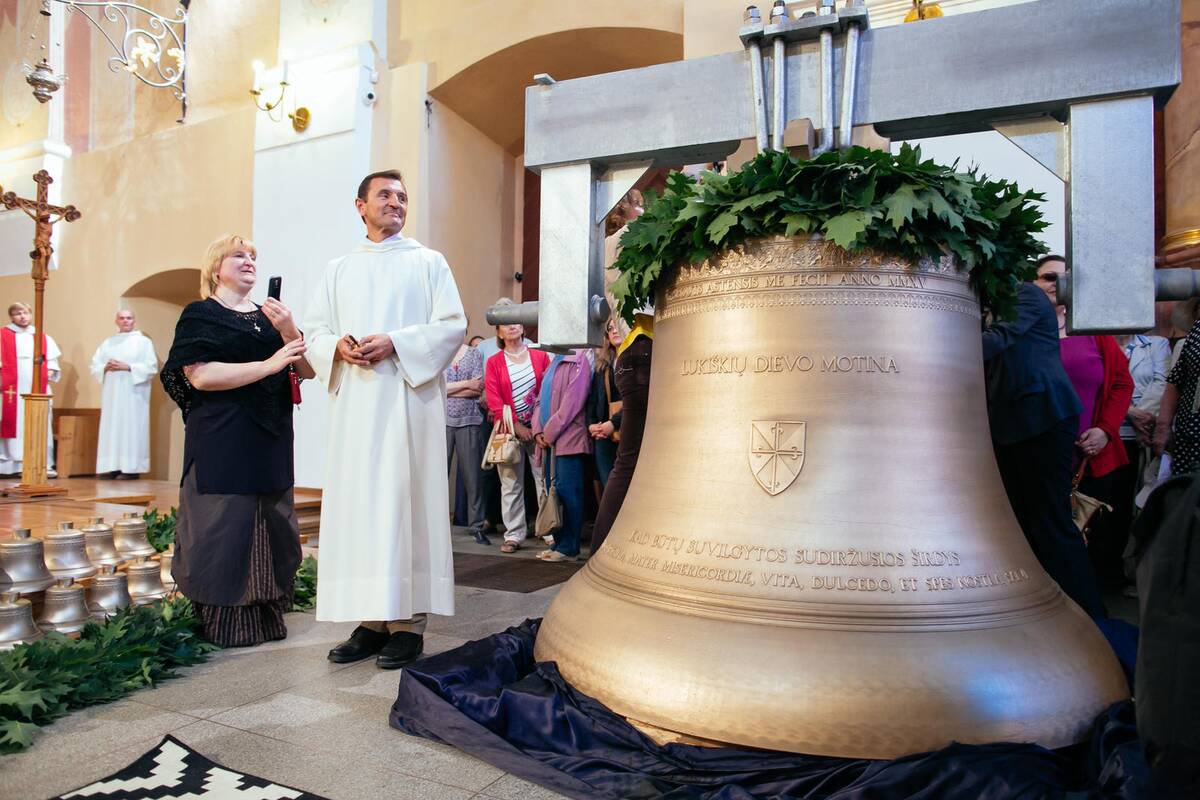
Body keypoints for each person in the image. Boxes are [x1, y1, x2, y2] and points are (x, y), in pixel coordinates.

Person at [306, 169, 466, 670]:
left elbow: (452, 326)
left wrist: (396, 342)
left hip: (407, 406)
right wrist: (337, 346)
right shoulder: (338, 269)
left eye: (401, 196)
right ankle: (371, 621)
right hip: (356, 410)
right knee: (361, 509)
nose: (396, 202)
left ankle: (407, 625)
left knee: (404, 505)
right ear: (361, 206)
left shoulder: (428, 262)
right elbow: (314, 330)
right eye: (385, 195)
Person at [160, 234, 310, 647]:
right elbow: (200, 376)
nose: (248, 261)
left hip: (270, 434)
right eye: (238, 255)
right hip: (223, 433)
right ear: (215, 268)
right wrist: (269, 364)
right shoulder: (200, 313)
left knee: (273, 522)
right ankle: (226, 622)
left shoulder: (269, 316)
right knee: (224, 522)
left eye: (252, 256)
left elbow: (306, 371)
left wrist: (288, 329)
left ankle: (267, 615)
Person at [982, 276, 1106, 618]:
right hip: (1012, 425)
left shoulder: (1025, 294)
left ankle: (1090, 614)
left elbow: (996, 340)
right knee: (1023, 522)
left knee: (1050, 521)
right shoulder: (989, 304)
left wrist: (926, 339)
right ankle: (1044, 609)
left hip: (1043, 419)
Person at [1034, 256, 1135, 590]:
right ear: (1033, 283)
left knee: (1091, 541)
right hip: (1040, 458)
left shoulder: (1094, 332)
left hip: (1091, 457)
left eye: (1064, 278)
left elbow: (1121, 383)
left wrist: (1105, 430)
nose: (1057, 284)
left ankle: (1088, 606)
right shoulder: (1022, 330)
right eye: (1049, 277)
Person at [590, 311, 653, 555]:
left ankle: (603, 550)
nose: (612, 329)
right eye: (609, 328)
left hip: (636, 354)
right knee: (627, 466)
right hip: (646, 347)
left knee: (626, 466)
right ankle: (602, 551)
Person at [484, 317, 549, 553]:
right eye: (506, 324)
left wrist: (536, 426)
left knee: (543, 480)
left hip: (538, 429)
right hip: (508, 431)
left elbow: (547, 391)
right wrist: (518, 427)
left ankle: (548, 529)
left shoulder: (540, 356)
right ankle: (514, 534)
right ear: (499, 333)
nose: (512, 326)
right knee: (510, 484)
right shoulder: (494, 362)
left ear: (522, 328)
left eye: (516, 322)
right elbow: (494, 400)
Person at [532, 348, 593, 562]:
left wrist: (548, 432)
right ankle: (558, 543)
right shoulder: (555, 359)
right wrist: (537, 430)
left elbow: (572, 403)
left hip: (569, 439)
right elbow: (539, 400)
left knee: (568, 493)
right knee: (554, 493)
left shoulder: (579, 359)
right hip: (549, 441)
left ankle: (569, 547)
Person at [90, 309, 159, 479]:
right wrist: (105, 367)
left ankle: (131, 469)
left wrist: (128, 367)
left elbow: (151, 367)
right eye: (122, 318)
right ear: (116, 321)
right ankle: (112, 466)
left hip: (134, 394)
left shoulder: (143, 342)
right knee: (112, 427)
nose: (125, 321)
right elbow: (95, 365)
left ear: (134, 320)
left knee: (131, 427)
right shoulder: (108, 343)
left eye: (129, 318)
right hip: (112, 394)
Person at [0, 302, 60, 477]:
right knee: (15, 423)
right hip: (12, 389)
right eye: (17, 313)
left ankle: (41, 464)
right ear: (11, 316)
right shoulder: (3, 335)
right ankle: (12, 465)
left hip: (37, 388)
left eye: (25, 312)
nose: (22, 316)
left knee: (39, 422)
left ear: (31, 314)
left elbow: (52, 365)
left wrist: (47, 373)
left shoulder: (42, 337)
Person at [445, 329, 489, 545]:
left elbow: (477, 389)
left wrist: (449, 390)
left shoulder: (473, 353)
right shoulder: (439, 354)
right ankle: (435, 525)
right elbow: (435, 388)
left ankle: (476, 525)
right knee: (438, 476)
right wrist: (465, 384)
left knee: (473, 478)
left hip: (469, 420)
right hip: (441, 421)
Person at [1154, 316, 1200, 476]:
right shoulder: (1198, 329)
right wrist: (1162, 427)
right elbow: (1176, 380)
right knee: (1188, 487)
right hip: (1191, 436)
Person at [587, 317, 626, 490]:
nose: (614, 330)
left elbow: (638, 400)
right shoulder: (602, 365)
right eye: (610, 328)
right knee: (608, 486)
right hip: (604, 435)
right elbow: (592, 400)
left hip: (628, 429)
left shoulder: (636, 359)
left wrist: (613, 423)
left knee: (625, 486)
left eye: (617, 326)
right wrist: (592, 425)